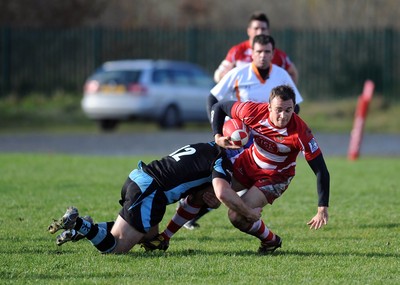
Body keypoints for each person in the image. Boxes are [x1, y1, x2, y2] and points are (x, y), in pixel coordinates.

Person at [147, 85, 329, 254]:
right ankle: (164, 237)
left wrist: (322, 208)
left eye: (288, 110)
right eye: (278, 110)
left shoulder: (301, 133)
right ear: (269, 107)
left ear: (294, 108)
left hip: (275, 177)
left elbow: (321, 169)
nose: (283, 116)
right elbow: (219, 107)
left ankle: (271, 241)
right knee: (202, 194)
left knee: (237, 215)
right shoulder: (253, 111)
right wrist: (217, 135)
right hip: (248, 162)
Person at [47, 142, 261, 254]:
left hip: (142, 180)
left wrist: (207, 198)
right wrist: (248, 212)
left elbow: (196, 190)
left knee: (148, 236)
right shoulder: (221, 161)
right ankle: (83, 225)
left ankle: (78, 230)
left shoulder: (206, 147)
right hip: (150, 190)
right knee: (117, 248)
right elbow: (223, 192)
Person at [182, 34, 303, 230]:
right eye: (259, 51)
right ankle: (192, 207)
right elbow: (213, 99)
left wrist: (281, 129)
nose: (263, 55)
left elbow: (295, 107)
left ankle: (200, 211)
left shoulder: (281, 75)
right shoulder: (239, 73)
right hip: (236, 139)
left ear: (274, 53)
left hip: (265, 142)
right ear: (251, 53)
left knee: (244, 191)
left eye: (267, 52)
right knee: (222, 182)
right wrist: (218, 131)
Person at [214, 12, 299, 84]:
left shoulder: (278, 55)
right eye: (256, 28)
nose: (260, 32)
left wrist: (285, 91)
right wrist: (228, 76)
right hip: (243, 101)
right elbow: (218, 75)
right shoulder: (237, 51)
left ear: (268, 31)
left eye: (263, 29)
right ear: (249, 31)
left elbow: (293, 74)